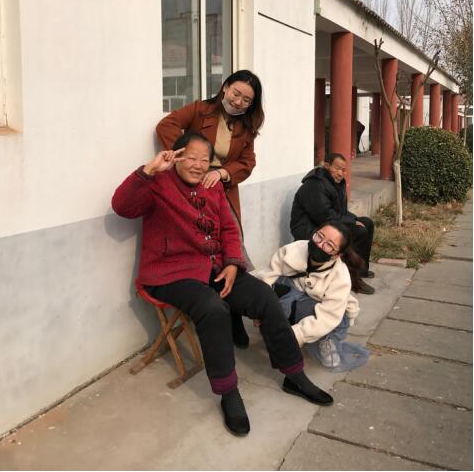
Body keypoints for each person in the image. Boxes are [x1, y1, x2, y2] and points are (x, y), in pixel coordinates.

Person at [112, 131, 333, 437]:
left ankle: (294, 374)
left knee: (264, 296)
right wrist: (149, 170)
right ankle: (229, 392)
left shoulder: (211, 186)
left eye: (204, 160)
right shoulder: (158, 183)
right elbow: (122, 206)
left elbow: (229, 229)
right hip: (170, 274)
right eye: (191, 157)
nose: (198, 165)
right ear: (176, 156)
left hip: (215, 268)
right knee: (212, 308)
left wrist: (232, 263)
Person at [156, 70, 264, 348]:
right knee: (207, 248)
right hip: (193, 191)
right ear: (225, 87)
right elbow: (166, 125)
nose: (238, 102)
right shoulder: (200, 110)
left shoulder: (246, 127)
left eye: (247, 100)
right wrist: (187, 159)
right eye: (236, 93)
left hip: (224, 192)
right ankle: (219, 312)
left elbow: (248, 162)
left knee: (233, 250)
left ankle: (236, 315)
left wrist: (223, 173)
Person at [253, 221, 370, 371]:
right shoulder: (292, 250)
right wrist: (260, 310)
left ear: (336, 255)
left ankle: (326, 341)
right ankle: (278, 325)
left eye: (329, 245)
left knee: (313, 314)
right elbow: (267, 277)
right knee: (276, 287)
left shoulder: (340, 277)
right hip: (293, 295)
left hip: (324, 310)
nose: (320, 245)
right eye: (319, 236)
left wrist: (294, 335)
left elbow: (327, 317)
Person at [290, 153, 375, 294]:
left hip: (325, 224)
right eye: (337, 168)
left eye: (343, 170)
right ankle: (352, 279)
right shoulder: (314, 185)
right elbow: (324, 216)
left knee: (367, 223)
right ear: (327, 166)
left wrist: (355, 220)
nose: (341, 173)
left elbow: (340, 211)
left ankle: (361, 270)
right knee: (358, 232)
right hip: (310, 229)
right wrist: (352, 222)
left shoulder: (335, 183)